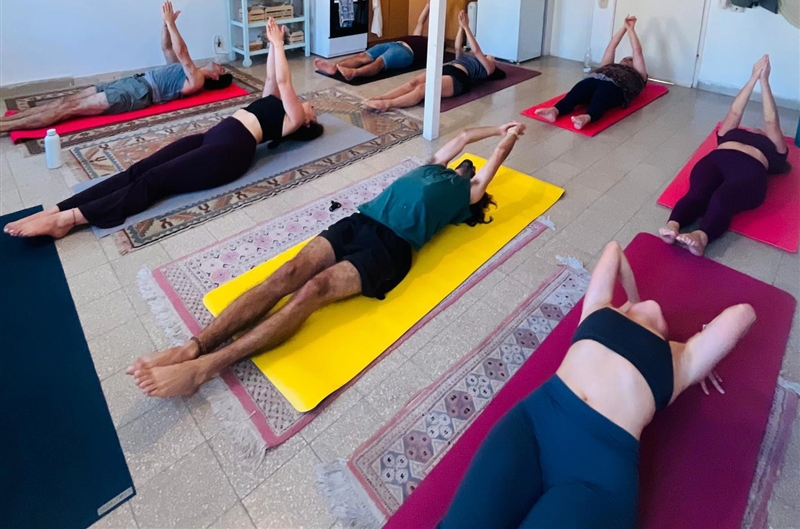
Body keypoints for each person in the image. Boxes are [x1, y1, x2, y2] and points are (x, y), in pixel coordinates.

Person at [126, 120, 526, 398]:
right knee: (287, 273)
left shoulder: (468, 194)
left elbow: (496, 157)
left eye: (473, 169)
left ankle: (205, 367)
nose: (469, 163)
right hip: (360, 222)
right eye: (465, 161)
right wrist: (497, 126)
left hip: (391, 248)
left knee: (312, 291)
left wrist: (509, 137)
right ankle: (193, 347)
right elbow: (465, 135)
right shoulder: (432, 166)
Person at [438, 240, 756, 529]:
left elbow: (745, 313)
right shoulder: (597, 311)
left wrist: (705, 347)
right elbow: (613, 250)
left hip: (596, 476)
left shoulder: (680, 360)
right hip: (532, 428)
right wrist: (634, 298)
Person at [4, 19, 321, 239]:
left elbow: (284, 82)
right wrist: (273, 43)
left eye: (314, 113)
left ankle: (68, 220)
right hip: (211, 137)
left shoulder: (292, 119)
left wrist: (279, 44)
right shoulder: (274, 103)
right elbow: (272, 78)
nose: (311, 106)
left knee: (154, 181)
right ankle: (58, 208)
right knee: (138, 169)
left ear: (306, 123)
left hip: (229, 154)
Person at [0, 1, 231, 133]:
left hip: (135, 94)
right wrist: (165, 24)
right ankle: (6, 121)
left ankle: (6, 127)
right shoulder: (183, 72)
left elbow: (183, 53)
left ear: (215, 77)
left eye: (221, 70)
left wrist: (171, 23)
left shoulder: (195, 80)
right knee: (64, 101)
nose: (219, 65)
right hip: (129, 83)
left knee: (68, 109)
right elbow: (168, 48)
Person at [659, 54, 789, 257]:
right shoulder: (729, 133)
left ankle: (701, 237)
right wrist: (752, 78)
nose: (756, 129)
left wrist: (764, 81)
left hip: (749, 171)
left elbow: (771, 121)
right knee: (697, 193)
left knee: (722, 198)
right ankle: (673, 226)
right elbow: (735, 112)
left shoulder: (776, 148)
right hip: (715, 162)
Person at [364, 10, 506, 111]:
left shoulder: (489, 68)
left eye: (494, 58)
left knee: (422, 89)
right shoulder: (469, 59)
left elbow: (476, 50)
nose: (491, 56)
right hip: (448, 68)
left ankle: (388, 104)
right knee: (412, 83)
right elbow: (457, 47)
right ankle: (381, 98)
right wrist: (461, 27)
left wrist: (466, 27)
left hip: (459, 78)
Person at [535, 16, 647, 130]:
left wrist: (631, 30)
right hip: (594, 79)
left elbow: (637, 51)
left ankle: (587, 117)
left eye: (631, 60)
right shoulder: (608, 66)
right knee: (578, 90)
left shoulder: (638, 75)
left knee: (602, 95)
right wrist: (623, 28)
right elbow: (611, 47)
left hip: (617, 86)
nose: (627, 60)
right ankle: (555, 110)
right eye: (625, 59)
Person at [315, 0, 430, 81]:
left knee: (379, 62)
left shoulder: (429, 45)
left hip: (405, 52)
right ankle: (334, 67)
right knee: (363, 56)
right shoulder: (418, 36)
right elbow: (421, 21)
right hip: (393, 44)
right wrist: (428, 5)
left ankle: (354, 73)